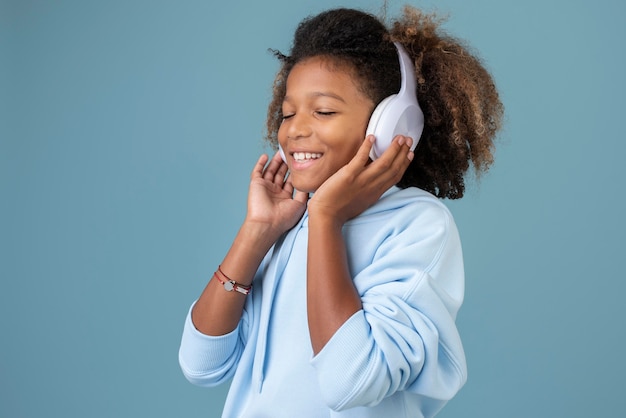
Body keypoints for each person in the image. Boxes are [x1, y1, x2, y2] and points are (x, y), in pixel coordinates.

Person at [179, 6, 503, 418]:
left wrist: (327, 219)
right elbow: (202, 365)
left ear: (390, 124)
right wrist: (257, 231)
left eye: (324, 111)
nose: (295, 129)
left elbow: (350, 380)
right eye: (288, 113)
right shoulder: (290, 222)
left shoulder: (418, 225)